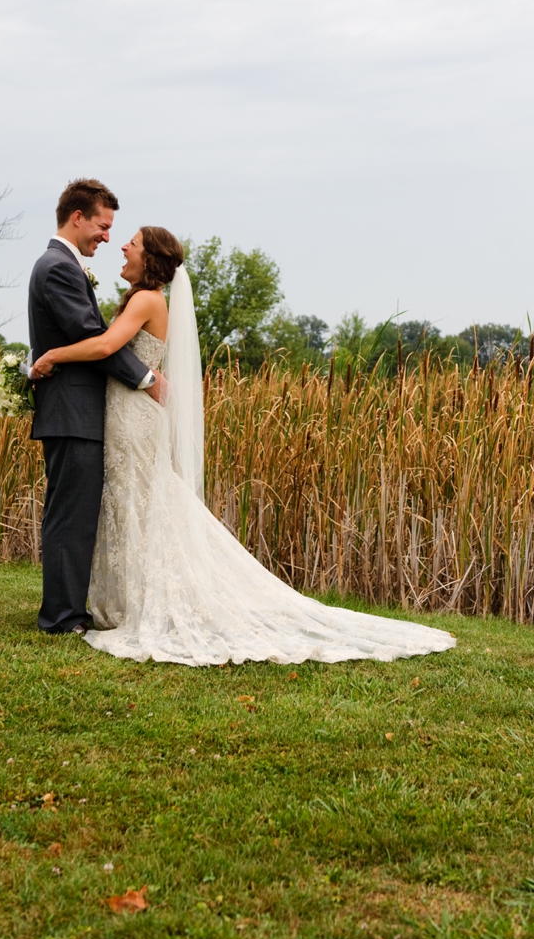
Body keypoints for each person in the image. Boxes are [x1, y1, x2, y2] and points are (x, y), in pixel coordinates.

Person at [31, 227, 455, 665]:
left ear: (151, 258)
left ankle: (138, 600)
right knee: (130, 502)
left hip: (133, 418)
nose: (123, 245)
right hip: (127, 412)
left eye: (133, 243)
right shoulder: (148, 299)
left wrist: (50, 357)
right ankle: (123, 599)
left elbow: (104, 345)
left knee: (139, 500)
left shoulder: (147, 299)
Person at [27, 181, 166, 636]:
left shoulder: (65, 266)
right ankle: (63, 617)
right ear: (78, 217)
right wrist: (147, 379)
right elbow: (95, 338)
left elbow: (95, 339)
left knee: (78, 514)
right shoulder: (59, 269)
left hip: (80, 411)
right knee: (71, 515)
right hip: (74, 412)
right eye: (104, 226)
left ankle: (71, 610)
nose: (108, 237)